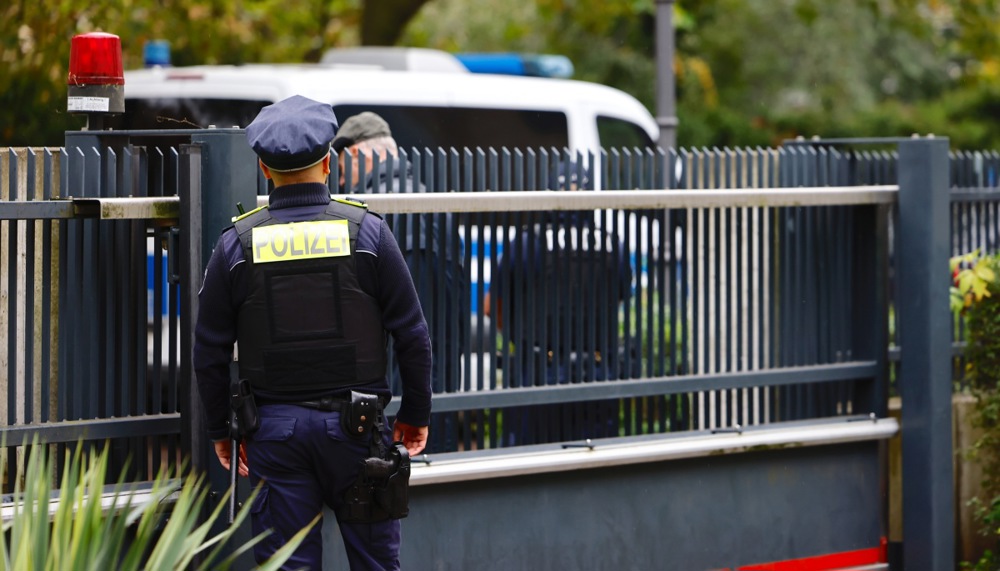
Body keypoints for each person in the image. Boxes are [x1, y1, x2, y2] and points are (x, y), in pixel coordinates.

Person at [193, 95, 432, 570]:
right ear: (328, 163)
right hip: (358, 433)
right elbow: (412, 334)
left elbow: (209, 350)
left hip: (273, 435)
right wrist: (415, 413)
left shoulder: (236, 245)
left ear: (264, 169)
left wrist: (221, 429)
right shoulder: (369, 234)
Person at [333, 112, 466, 451]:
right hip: (438, 386)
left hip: (394, 398)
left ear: (358, 154)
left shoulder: (368, 212)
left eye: (343, 170)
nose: (342, 181)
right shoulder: (434, 203)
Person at [483, 165, 632, 445]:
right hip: (597, 375)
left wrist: (518, 334)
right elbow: (620, 298)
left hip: (538, 373)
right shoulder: (614, 244)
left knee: (535, 457)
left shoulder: (527, 242)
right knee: (593, 457)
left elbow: (492, 307)